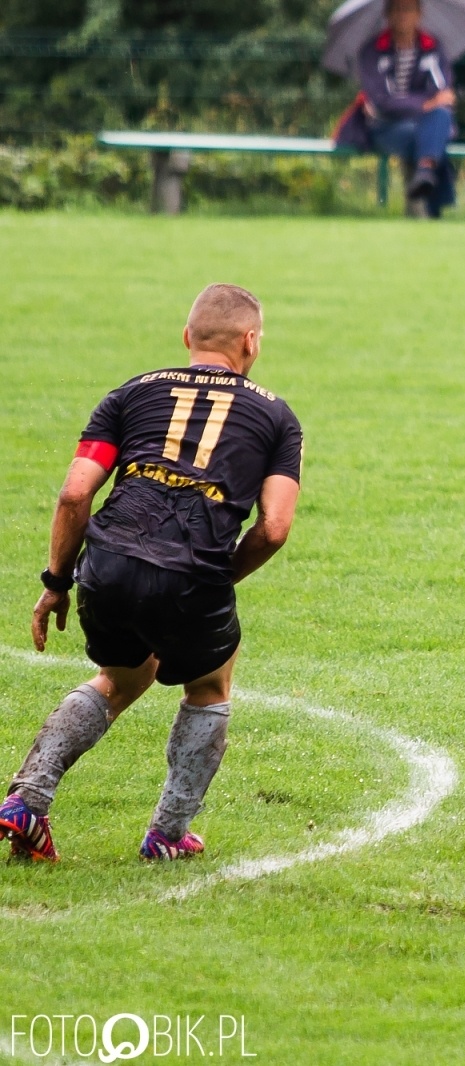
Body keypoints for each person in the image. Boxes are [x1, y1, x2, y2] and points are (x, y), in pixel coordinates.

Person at [0, 285, 303, 862]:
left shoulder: (131, 393)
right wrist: (219, 577)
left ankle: (25, 802)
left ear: (188, 338)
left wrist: (56, 583)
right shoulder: (276, 416)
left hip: (108, 562)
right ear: (252, 343)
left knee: (119, 678)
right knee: (209, 687)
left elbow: (73, 496)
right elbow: (276, 527)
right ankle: (168, 834)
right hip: (193, 570)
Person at [358, 0, 457, 217]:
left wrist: (429, 104)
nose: (403, 15)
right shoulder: (372, 51)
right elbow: (382, 100)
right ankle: (431, 203)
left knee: (441, 116)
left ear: (419, 14)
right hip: (385, 126)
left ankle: (424, 173)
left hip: (429, 123)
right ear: (388, 14)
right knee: (428, 137)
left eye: (408, 9)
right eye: (397, 9)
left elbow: (443, 93)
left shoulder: (433, 47)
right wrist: (424, 104)